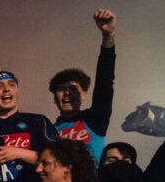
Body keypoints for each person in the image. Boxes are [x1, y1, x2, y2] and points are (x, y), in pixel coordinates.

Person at [50, 9, 117, 163]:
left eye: (73, 88)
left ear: (84, 94)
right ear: (54, 97)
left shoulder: (94, 120)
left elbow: (105, 84)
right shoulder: (48, 131)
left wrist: (108, 37)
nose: (67, 93)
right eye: (61, 89)